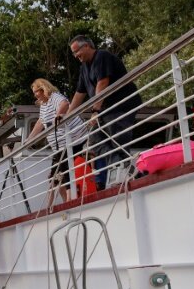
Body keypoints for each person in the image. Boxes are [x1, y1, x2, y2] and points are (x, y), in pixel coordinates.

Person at [67, 35, 143, 190]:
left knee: (118, 141)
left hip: (121, 106)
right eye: (73, 53)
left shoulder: (102, 56)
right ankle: (128, 171)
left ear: (87, 46)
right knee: (95, 140)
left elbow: (103, 83)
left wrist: (95, 111)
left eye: (77, 51)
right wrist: (67, 116)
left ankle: (128, 175)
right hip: (105, 110)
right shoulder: (84, 68)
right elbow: (79, 93)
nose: (76, 56)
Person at [27, 78, 72, 205]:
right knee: (53, 178)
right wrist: (30, 139)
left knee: (62, 173)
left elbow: (64, 104)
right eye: (34, 92)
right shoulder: (44, 104)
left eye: (37, 91)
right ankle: (59, 203)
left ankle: (66, 201)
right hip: (57, 146)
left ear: (44, 89)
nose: (35, 94)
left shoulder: (54, 97)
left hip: (66, 141)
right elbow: (40, 122)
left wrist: (58, 116)